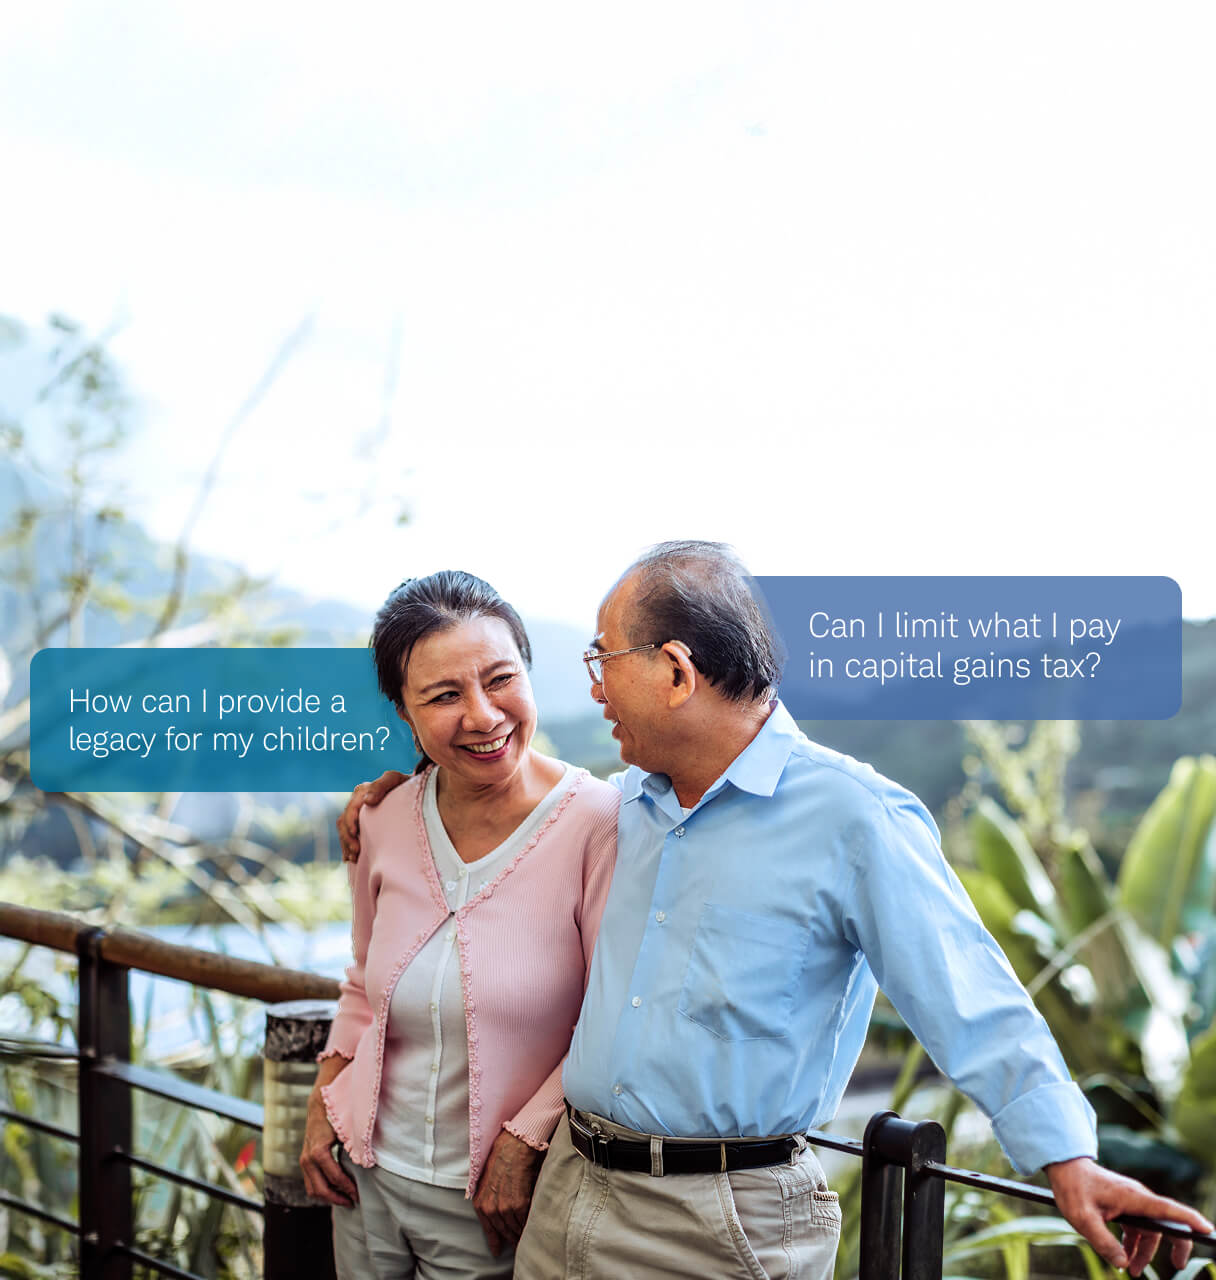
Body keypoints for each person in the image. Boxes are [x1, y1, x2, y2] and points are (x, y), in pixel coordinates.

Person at [340, 544, 1214, 1279]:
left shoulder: (853, 816)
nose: (595, 690)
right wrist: (401, 790)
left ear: (675, 672)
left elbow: (971, 998)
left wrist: (1069, 1161)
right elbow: (501, 803)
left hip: (721, 1221)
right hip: (571, 1193)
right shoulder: (626, 809)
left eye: (602, 660)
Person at [302, 570, 618, 1280]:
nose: (482, 715)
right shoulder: (382, 819)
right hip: (364, 1179)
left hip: (495, 1202)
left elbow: (613, 1014)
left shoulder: (599, 824)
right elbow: (361, 984)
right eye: (444, 695)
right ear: (405, 714)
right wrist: (325, 1104)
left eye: (501, 678)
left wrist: (523, 1140)